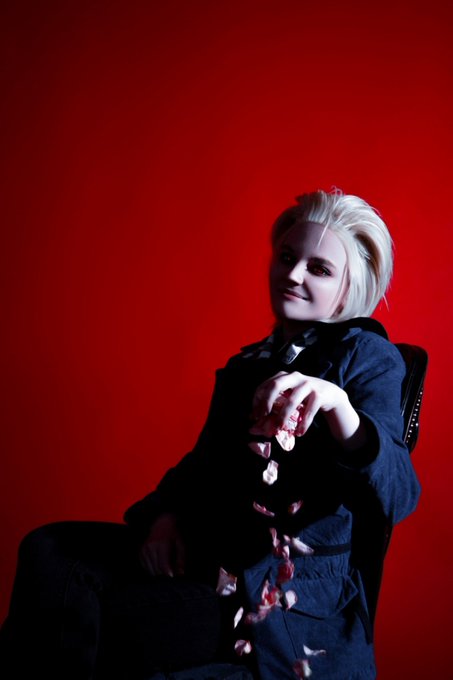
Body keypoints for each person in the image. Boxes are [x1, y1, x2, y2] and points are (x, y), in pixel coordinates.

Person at [0, 189, 421, 680]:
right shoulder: (247, 365)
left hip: (278, 601)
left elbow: (400, 494)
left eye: (319, 269)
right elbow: (202, 466)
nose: (293, 275)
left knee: (101, 622)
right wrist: (164, 516)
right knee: (50, 551)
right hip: (206, 562)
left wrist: (340, 409)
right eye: (287, 258)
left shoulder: (367, 356)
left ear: (348, 292)